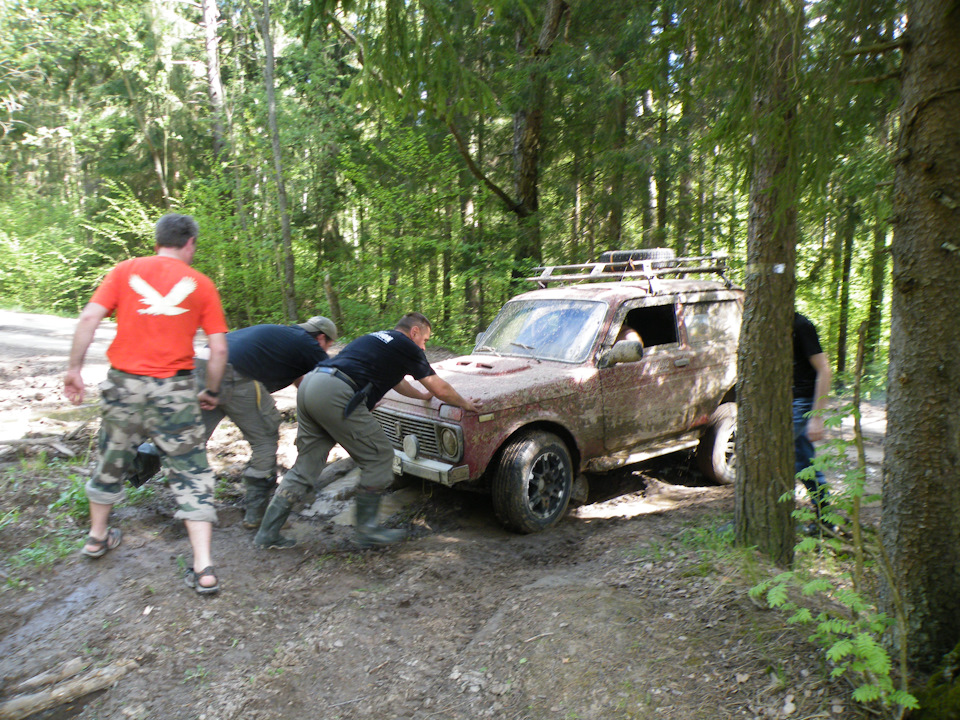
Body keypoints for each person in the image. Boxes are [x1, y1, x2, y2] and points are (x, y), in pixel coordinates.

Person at [63, 213, 229, 595]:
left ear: (158, 241)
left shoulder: (124, 271)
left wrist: (74, 369)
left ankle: (96, 537)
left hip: (124, 386)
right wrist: (213, 392)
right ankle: (204, 567)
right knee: (191, 472)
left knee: (112, 455)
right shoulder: (201, 284)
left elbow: (90, 316)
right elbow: (218, 348)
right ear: (189, 242)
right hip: (174, 391)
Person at [254, 312, 482, 549]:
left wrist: (422, 396)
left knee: (305, 467)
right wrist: (465, 404)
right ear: (414, 332)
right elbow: (440, 387)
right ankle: (367, 530)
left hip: (311, 384)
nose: (424, 347)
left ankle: (267, 533)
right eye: (425, 340)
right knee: (380, 456)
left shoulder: (378, 339)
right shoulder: (407, 346)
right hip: (336, 392)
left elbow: (398, 382)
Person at [194, 316, 337, 529]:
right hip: (234, 371)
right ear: (321, 338)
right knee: (265, 441)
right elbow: (329, 383)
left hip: (204, 362)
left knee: (191, 436)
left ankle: (147, 460)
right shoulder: (310, 345)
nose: (325, 349)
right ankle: (257, 514)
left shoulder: (286, 337)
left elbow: (303, 382)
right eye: (328, 345)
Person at [793, 311, 832, 524]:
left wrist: (817, 417)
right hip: (783, 402)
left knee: (771, 453)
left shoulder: (800, 325)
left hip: (802, 403)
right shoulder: (766, 324)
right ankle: (826, 521)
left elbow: (825, 370)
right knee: (804, 463)